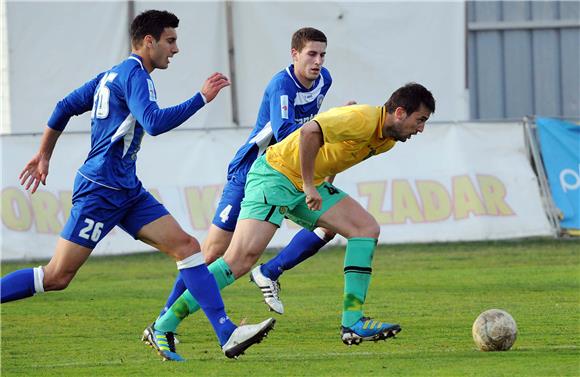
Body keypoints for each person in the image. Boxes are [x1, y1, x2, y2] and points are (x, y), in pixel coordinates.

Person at [0, 10, 275, 361]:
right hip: (100, 191)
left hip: (126, 190)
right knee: (57, 276)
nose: (175, 50)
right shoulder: (135, 76)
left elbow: (64, 106)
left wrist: (43, 154)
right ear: (149, 42)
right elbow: (154, 123)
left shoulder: (113, 75)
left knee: (188, 247)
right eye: (170, 41)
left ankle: (226, 332)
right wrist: (201, 98)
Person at [149, 82, 435, 347]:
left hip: (304, 183)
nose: (421, 129)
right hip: (276, 176)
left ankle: (353, 322)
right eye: (420, 120)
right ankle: (164, 324)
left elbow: (337, 152)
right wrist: (311, 185)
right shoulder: (362, 119)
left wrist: (321, 188)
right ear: (400, 112)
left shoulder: (386, 138)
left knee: (365, 229)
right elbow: (310, 131)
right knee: (238, 261)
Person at [146, 27, 348, 351]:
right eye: (311, 54)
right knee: (211, 253)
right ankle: (161, 321)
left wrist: (328, 128)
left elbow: (310, 129)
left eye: (322, 54)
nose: (318, 61)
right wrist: (332, 124)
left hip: (288, 173)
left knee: (330, 225)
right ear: (294, 54)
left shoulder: (325, 80)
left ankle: (270, 271)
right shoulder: (281, 84)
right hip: (252, 170)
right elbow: (284, 131)